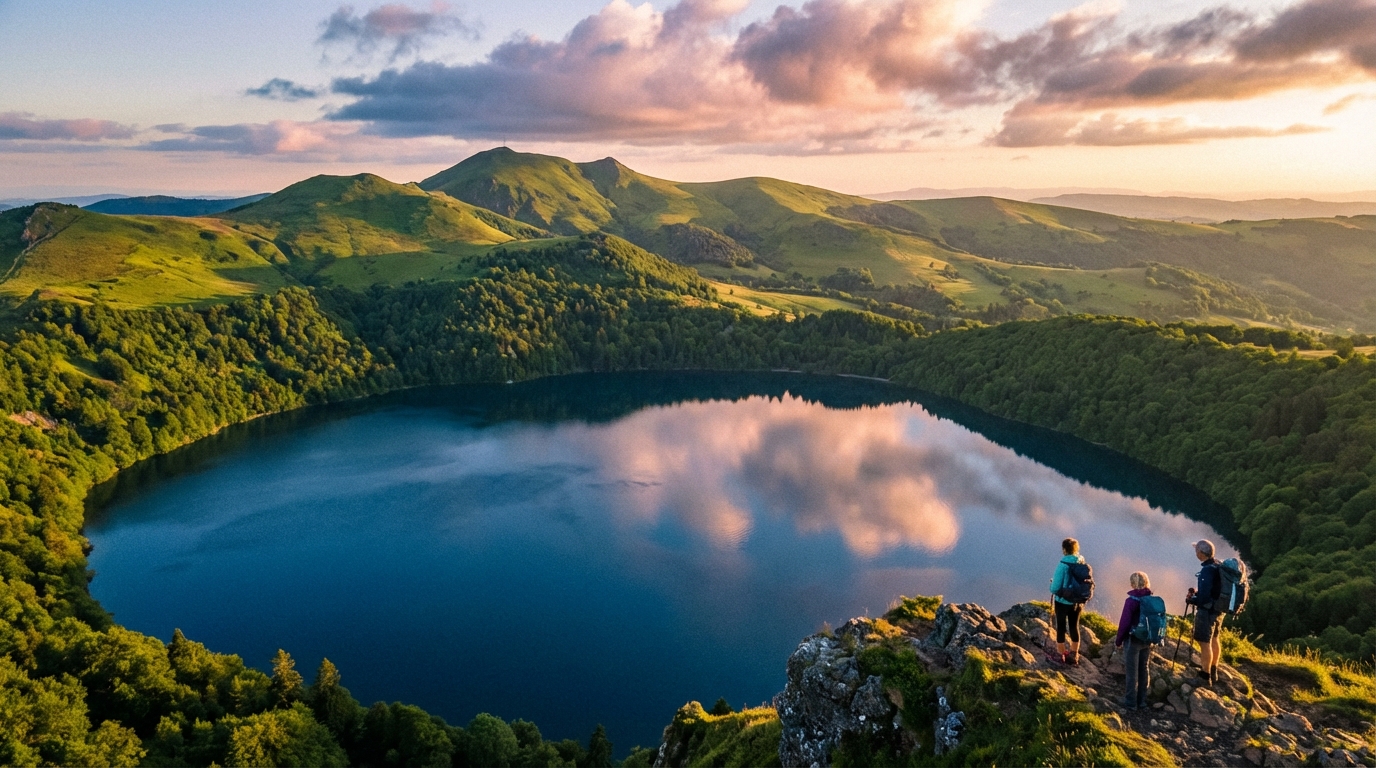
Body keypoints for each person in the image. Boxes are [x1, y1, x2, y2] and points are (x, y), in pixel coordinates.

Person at [1114, 571, 1155, 710]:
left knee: (1132, 672)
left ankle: (1130, 703)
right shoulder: (1151, 598)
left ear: (1132, 584)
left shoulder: (1131, 601)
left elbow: (1124, 622)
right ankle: (1142, 702)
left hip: (1133, 639)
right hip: (1147, 639)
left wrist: (1118, 640)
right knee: (1144, 669)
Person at [1186, 539, 1224, 685]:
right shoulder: (1217, 565)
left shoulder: (1207, 570)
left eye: (1196, 550)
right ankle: (1213, 670)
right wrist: (1198, 593)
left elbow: (1204, 598)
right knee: (1214, 639)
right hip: (1218, 610)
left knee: (1204, 642)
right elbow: (1213, 590)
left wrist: (1192, 599)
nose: (1195, 552)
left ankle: (1204, 676)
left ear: (1201, 553)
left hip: (1207, 612)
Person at [1049, 538, 1085, 665]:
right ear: (1076, 548)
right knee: (1074, 626)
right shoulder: (1081, 562)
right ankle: (1074, 655)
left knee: (1061, 627)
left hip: (1063, 601)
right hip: (1077, 601)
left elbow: (1055, 588)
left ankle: (1061, 655)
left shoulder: (1063, 564)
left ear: (1064, 549)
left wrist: (1052, 584)